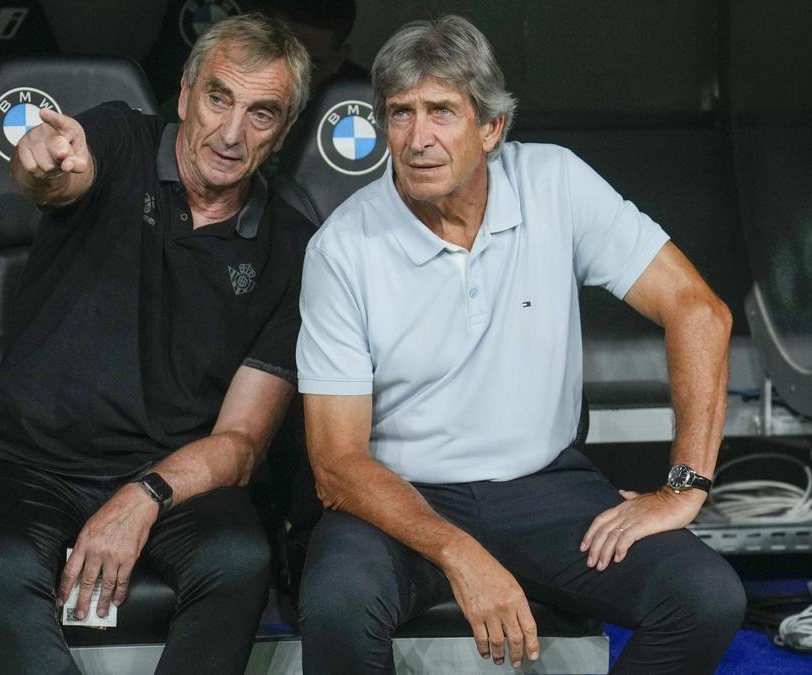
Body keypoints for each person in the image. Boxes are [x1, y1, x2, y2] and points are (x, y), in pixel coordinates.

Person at [296, 14, 745, 675]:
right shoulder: (342, 247)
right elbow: (336, 464)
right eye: (400, 114)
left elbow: (698, 311)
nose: (418, 138)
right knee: (337, 603)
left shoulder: (554, 182)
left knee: (706, 597)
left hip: (543, 491)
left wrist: (684, 485)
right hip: (398, 497)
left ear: (491, 128)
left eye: (442, 111)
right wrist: (461, 553)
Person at [0, 14, 312, 675]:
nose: (231, 133)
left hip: (173, 476)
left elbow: (242, 443)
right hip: (24, 460)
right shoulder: (117, 138)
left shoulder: (292, 246)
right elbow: (58, 175)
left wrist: (143, 496)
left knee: (239, 558)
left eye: (261, 114)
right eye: (219, 97)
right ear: (185, 93)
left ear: (281, 133)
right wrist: (42, 164)